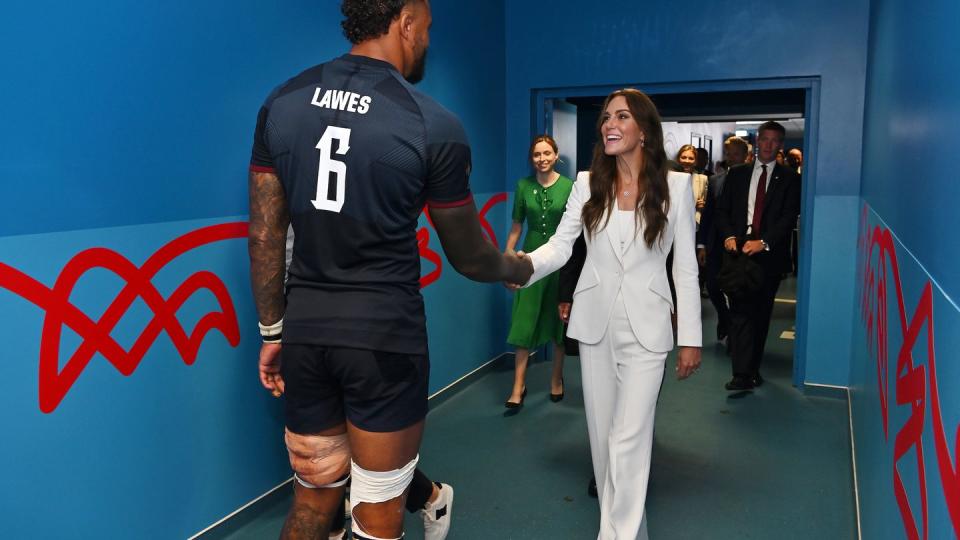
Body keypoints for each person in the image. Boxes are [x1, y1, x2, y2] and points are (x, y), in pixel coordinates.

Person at [247, 1, 532, 539]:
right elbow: (470, 257)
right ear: (405, 22)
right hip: (384, 338)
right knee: (376, 514)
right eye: (426, 28)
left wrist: (272, 330)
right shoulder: (432, 124)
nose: (426, 39)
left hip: (306, 332)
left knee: (313, 498)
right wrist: (512, 266)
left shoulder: (282, 102)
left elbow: (265, 233)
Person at [515, 88, 702, 539]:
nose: (609, 124)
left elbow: (686, 269)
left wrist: (691, 336)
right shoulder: (586, 182)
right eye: (605, 117)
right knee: (603, 442)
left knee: (628, 440)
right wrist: (523, 267)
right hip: (595, 323)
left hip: (649, 327)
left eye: (622, 116)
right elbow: (562, 246)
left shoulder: (677, 187)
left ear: (644, 130)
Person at [714, 121, 801, 391]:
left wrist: (763, 242)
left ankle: (752, 369)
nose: (769, 145)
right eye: (764, 139)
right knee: (739, 312)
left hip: (768, 257)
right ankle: (741, 374)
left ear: (780, 145)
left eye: (775, 141)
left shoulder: (790, 179)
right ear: (757, 141)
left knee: (761, 314)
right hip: (737, 253)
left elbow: (788, 218)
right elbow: (722, 210)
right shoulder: (737, 174)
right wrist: (729, 236)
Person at [504, 135, 573, 407]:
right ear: (531, 159)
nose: (542, 159)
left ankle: (557, 378)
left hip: (559, 261)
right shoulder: (523, 186)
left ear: (556, 156)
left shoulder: (570, 187)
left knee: (559, 322)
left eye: (547, 153)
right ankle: (518, 385)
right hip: (529, 260)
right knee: (524, 321)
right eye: (536, 154)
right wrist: (507, 261)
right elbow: (516, 227)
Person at [697, 136, 749, 344]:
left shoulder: (751, 181)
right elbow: (708, 215)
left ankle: (736, 330)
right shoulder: (715, 180)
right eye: (729, 154)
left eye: (736, 154)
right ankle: (725, 318)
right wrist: (702, 245)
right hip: (716, 242)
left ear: (745, 156)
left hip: (741, 244)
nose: (732, 158)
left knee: (736, 288)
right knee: (712, 284)